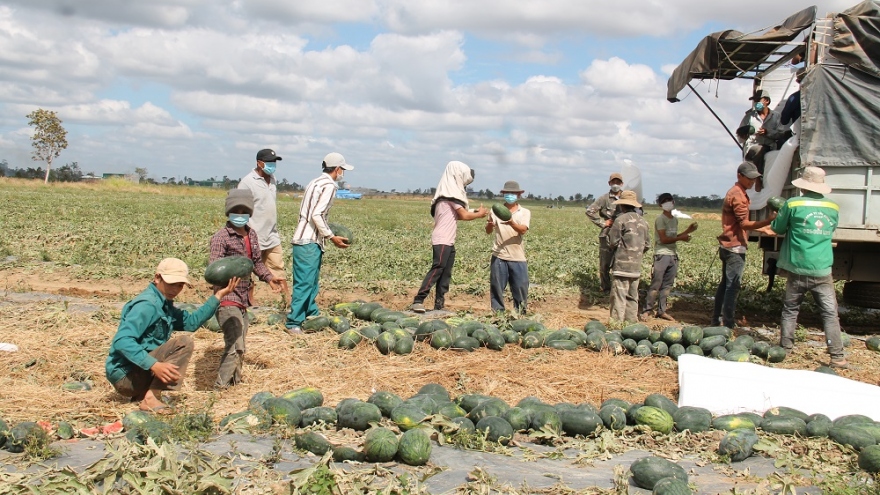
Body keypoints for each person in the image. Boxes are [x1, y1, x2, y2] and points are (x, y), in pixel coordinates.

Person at [105, 258, 238, 413]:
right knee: (183, 343)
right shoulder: (147, 305)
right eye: (171, 283)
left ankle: (145, 393)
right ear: (157, 278)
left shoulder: (165, 305)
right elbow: (122, 341)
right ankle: (151, 398)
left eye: (180, 285)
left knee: (182, 340)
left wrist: (218, 296)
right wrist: (154, 365)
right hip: (125, 377)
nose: (175, 289)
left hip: (137, 375)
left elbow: (191, 323)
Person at [768, 166, 850, 368]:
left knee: (790, 309)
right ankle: (837, 356)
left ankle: (785, 350)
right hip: (822, 268)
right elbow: (829, 229)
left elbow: (777, 228)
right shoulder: (833, 207)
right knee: (830, 313)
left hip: (797, 267)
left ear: (803, 185)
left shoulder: (793, 203)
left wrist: (777, 216)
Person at [209, 189, 283, 389]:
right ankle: (220, 387)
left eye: (244, 211)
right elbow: (214, 269)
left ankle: (235, 383)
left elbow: (256, 263)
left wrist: (269, 278)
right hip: (226, 298)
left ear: (250, 213)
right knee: (235, 344)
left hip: (242, 298)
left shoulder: (251, 235)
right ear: (228, 212)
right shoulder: (221, 238)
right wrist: (225, 283)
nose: (240, 215)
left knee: (240, 344)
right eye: (236, 210)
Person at [285, 152, 352, 334]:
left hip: (305, 239)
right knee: (305, 283)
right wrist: (331, 236)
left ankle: (312, 315)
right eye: (343, 170)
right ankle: (294, 323)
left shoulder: (314, 182)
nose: (343, 173)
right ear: (337, 169)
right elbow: (317, 214)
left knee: (311, 281)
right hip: (308, 241)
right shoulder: (329, 186)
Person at [411, 161, 488, 313]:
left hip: (448, 240)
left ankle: (439, 303)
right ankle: (418, 300)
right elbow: (463, 215)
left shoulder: (444, 197)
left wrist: (473, 212)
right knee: (437, 268)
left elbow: (456, 215)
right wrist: (479, 214)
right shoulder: (450, 197)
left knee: (445, 273)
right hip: (442, 240)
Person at [712, 162, 776, 329]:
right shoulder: (739, 196)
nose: (752, 182)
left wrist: (763, 229)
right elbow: (744, 224)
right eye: (750, 179)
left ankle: (716, 319)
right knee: (733, 286)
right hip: (734, 247)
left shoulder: (736, 192)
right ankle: (728, 323)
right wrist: (767, 221)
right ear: (739, 175)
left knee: (725, 284)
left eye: (754, 179)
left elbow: (739, 223)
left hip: (728, 245)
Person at [238, 148, 289, 305]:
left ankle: (287, 302)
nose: (272, 165)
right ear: (259, 163)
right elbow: (240, 209)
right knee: (248, 271)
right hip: (254, 234)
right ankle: (248, 304)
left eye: (274, 162)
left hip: (272, 234)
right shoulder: (247, 182)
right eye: (269, 162)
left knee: (278, 267)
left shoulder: (273, 179)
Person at [640, 193, 698, 322]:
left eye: (669, 200)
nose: (667, 203)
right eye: (664, 201)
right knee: (656, 284)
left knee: (667, 286)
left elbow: (673, 237)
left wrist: (687, 231)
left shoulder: (674, 220)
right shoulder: (660, 219)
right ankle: (647, 310)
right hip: (662, 254)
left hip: (672, 255)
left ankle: (662, 311)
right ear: (660, 205)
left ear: (673, 202)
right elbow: (664, 239)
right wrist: (681, 238)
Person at [485, 180, 531, 313]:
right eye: (507, 193)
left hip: (517, 256)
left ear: (519, 195)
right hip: (499, 255)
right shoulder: (496, 211)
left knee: (521, 288)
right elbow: (488, 231)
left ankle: (520, 315)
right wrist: (489, 224)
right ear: (503, 194)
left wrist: (511, 222)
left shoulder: (525, 212)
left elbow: (522, 230)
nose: (510, 195)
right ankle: (497, 315)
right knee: (497, 288)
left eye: (513, 193)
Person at [607, 191, 650, 323]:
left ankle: (616, 325)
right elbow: (647, 245)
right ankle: (631, 325)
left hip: (621, 266)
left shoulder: (621, 220)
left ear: (622, 205)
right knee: (632, 296)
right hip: (636, 267)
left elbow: (612, 242)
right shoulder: (644, 222)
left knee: (619, 296)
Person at [736, 90, 786, 185]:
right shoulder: (749, 117)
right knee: (758, 149)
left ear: (766, 101)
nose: (756, 103)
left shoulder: (776, 116)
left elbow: (780, 133)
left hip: (770, 146)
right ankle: (758, 178)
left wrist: (767, 132)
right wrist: (744, 133)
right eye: (755, 101)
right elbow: (740, 136)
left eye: (758, 100)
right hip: (753, 147)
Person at [585, 173, 624, 293]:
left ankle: (619, 289)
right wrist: (603, 223)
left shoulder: (626, 197)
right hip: (607, 234)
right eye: (613, 182)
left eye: (618, 182)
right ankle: (605, 288)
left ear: (622, 184)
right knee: (605, 263)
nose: (616, 184)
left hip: (623, 234)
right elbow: (590, 211)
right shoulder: (604, 198)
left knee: (621, 262)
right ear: (609, 183)